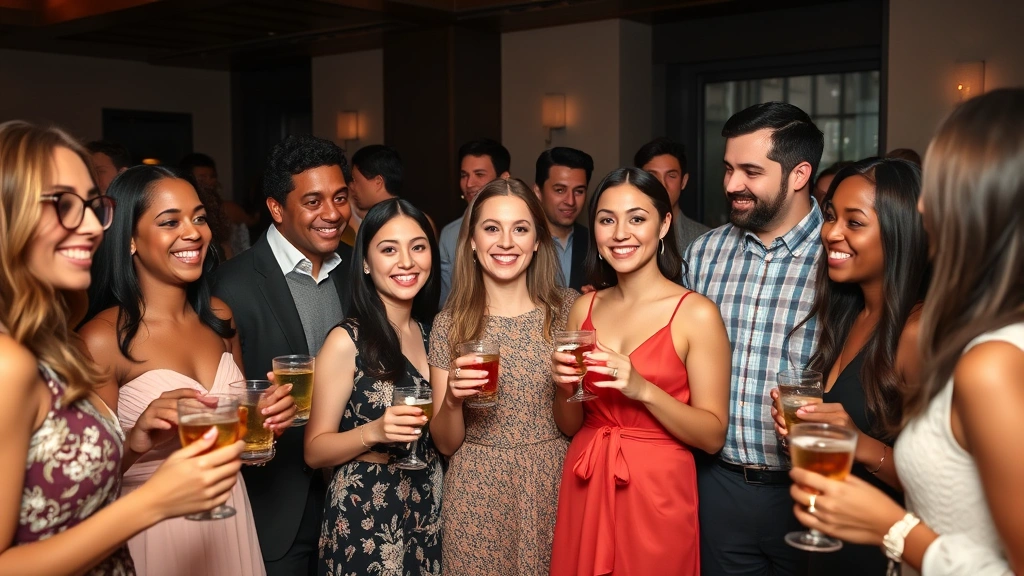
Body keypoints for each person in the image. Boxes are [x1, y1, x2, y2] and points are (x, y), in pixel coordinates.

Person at [789, 88, 1024, 576]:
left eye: (941, 186)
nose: (923, 208)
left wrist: (894, 528)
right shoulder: (849, 314)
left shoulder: (987, 357)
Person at [0, 120, 243, 575]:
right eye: (65, 204)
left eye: (94, 206)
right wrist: (150, 503)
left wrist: (132, 440)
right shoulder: (9, 360)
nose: (92, 225)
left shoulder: (48, 342)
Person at [79, 165, 296, 576]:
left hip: (230, 518)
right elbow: (84, 487)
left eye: (198, 217)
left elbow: (240, 446)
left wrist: (264, 423)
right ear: (128, 239)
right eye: (170, 221)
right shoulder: (101, 340)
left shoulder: (219, 318)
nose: (193, 232)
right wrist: (137, 438)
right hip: (153, 532)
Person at [548, 167, 731, 576]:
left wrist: (642, 388)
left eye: (637, 218)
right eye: (607, 219)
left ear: (664, 223)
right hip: (587, 476)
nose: (620, 233)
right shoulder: (584, 308)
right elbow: (569, 424)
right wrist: (564, 387)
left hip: (657, 490)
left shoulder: (695, 314)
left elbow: (713, 435)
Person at [683, 101, 824, 576]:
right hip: (718, 488)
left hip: (809, 491)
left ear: (799, 173)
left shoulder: (840, 254)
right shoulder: (705, 252)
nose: (731, 185)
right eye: (727, 169)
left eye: (750, 171)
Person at [769, 157, 929, 575]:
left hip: (879, 552)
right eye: (830, 216)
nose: (831, 233)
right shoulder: (849, 314)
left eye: (854, 222)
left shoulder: (917, 331)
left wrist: (859, 445)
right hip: (825, 541)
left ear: (900, 233)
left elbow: (942, 484)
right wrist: (803, 431)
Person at [211, 134, 354, 576]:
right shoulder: (230, 286)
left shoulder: (358, 269)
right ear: (276, 209)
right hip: (274, 506)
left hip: (352, 499)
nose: (332, 213)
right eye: (313, 201)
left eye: (340, 197)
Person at [429, 178, 576, 575]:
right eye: (492, 228)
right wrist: (452, 401)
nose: (506, 242)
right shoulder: (450, 325)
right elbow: (445, 443)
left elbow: (572, 425)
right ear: (472, 242)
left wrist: (565, 388)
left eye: (521, 229)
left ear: (538, 242)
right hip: (477, 489)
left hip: (552, 480)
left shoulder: (567, 311)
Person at [305, 198, 442, 576]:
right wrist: (375, 431)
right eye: (388, 249)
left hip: (428, 505)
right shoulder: (346, 340)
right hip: (364, 511)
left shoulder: (435, 336)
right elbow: (315, 450)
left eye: (418, 246)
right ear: (365, 262)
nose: (407, 262)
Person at [437, 138, 510, 305]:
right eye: (464, 175)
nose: (469, 183)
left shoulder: (523, 229)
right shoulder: (450, 233)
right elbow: (445, 301)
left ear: (504, 178)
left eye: (479, 174)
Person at [634, 137, 710, 253]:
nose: (662, 184)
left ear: (683, 182)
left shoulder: (704, 240)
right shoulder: (625, 235)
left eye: (671, 176)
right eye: (653, 176)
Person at [533, 146, 593, 291]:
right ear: (538, 192)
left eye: (579, 191)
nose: (570, 201)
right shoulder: (520, 243)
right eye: (560, 190)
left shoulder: (597, 244)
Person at [180, 152, 259, 259]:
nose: (209, 182)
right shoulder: (181, 211)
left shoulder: (227, 208)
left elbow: (252, 223)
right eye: (202, 178)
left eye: (212, 176)